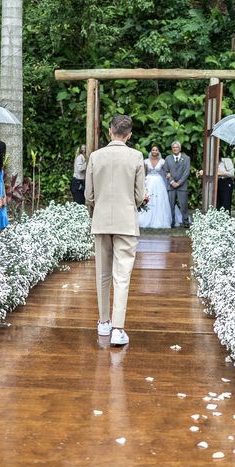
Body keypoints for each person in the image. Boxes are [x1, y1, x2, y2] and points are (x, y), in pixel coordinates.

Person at [85, 114, 145, 347]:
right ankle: (118, 328)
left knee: (103, 273)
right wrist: (132, 204)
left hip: (101, 220)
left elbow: (89, 195)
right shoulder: (136, 156)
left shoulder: (95, 156)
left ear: (110, 131)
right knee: (122, 275)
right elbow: (139, 196)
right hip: (126, 222)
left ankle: (103, 322)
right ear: (129, 135)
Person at [138, 145, 171, 229]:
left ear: (158, 152)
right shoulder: (146, 161)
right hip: (148, 181)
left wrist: (168, 175)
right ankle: (144, 219)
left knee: (159, 199)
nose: (154, 151)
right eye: (153, 150)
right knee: (148, 198)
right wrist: (143, 183)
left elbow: (166, 171)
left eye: (156, 150)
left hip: (159, 182)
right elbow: (144, 173)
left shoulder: (162, 161)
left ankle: (160, 219)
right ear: (151, 151)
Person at [164, 141, 190, 228]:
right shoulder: (168, 158)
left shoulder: (186, 158)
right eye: (174, 147)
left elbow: (186, 173)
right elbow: (166, 171)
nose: (175, 149)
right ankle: (172, 222)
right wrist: (172, 182)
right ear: (172, 149)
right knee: (171, 205)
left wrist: (178, 183)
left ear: (180, 148)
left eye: (177, 147)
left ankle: (185, 221)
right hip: (171, 186)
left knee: (183, 205)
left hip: (182, 186)